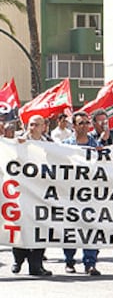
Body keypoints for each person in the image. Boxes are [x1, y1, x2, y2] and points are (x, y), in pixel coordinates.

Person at [12, 115, 52, 276]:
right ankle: (18, 260)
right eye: (31, 124)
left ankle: (36, 265)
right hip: (21, 192)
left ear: (44, 127)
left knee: (40, 228)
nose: (33, 127)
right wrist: (17, 147)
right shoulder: (17, 141)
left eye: (37, 124)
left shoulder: (49, 144)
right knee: (21, 227)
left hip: (41, 193)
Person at [62, 111, 102, 276]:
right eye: (81, 123)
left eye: (87, 123)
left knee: (91, 228)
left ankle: (90, 263)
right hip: (71, 193)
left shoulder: (97, 145)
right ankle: (69, 261)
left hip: (91, 194)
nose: (85, 126)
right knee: (70, 228)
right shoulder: (64, 146)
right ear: (73, 126)